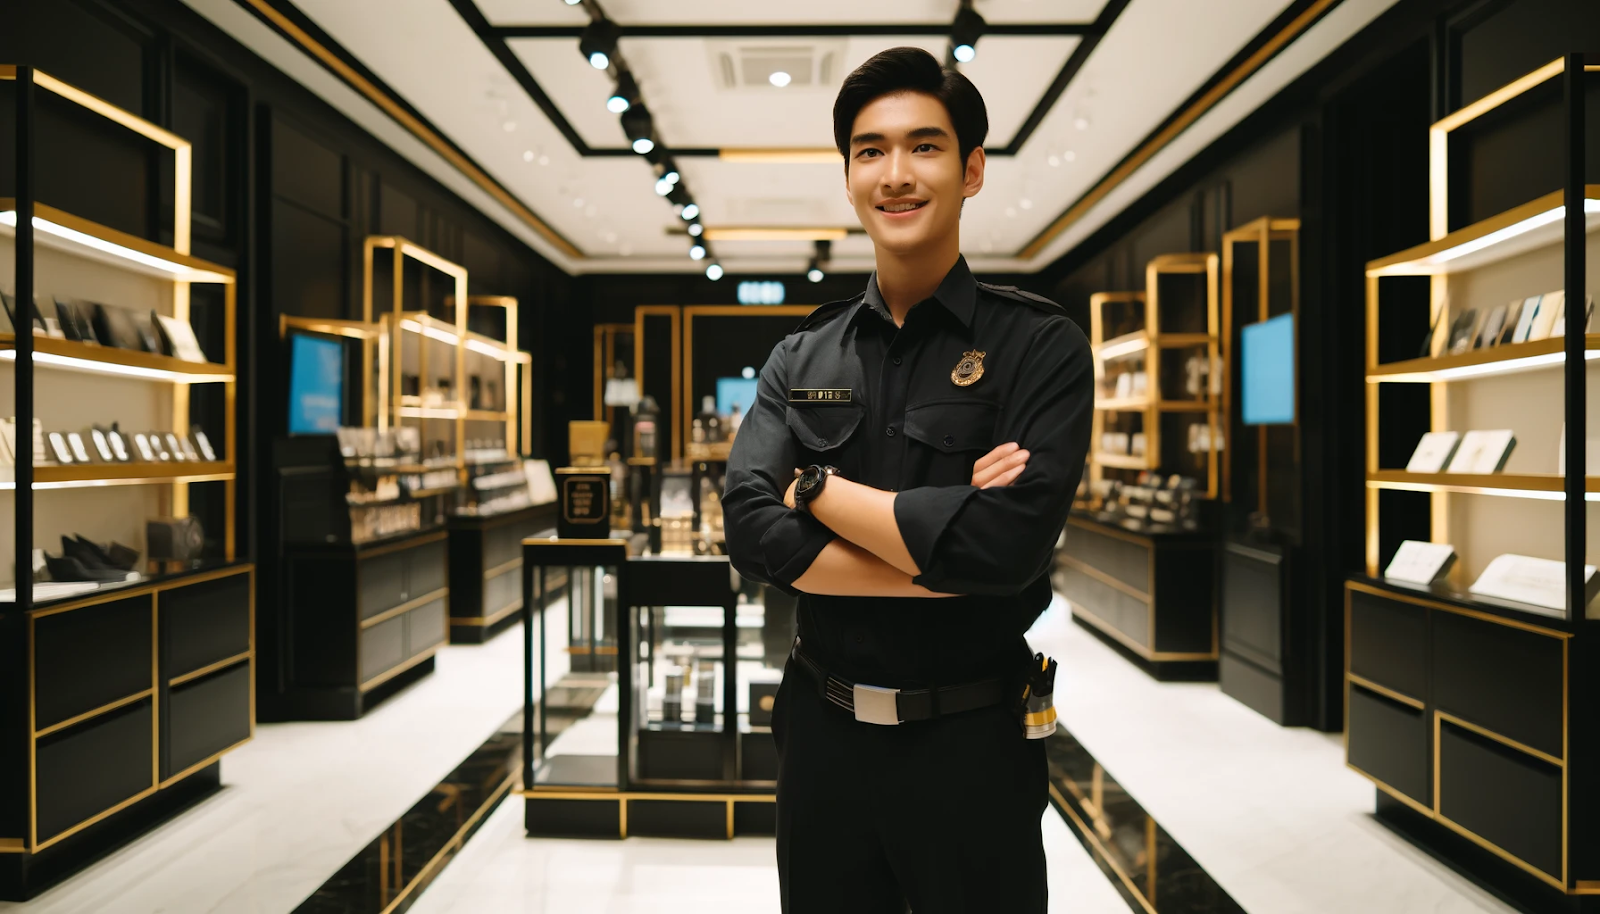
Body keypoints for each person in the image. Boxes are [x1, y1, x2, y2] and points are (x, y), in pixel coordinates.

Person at [722, 46, 1092, 914]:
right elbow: (749, 530)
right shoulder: (799, 354)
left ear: (971, 171)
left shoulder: (1037, 347)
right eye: (869, 150)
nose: (896, 173)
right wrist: (944, 549)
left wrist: (815, 491)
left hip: (972, 743)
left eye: (924, 147)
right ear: (848, 177)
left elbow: (1006, 547)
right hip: (822, 739)